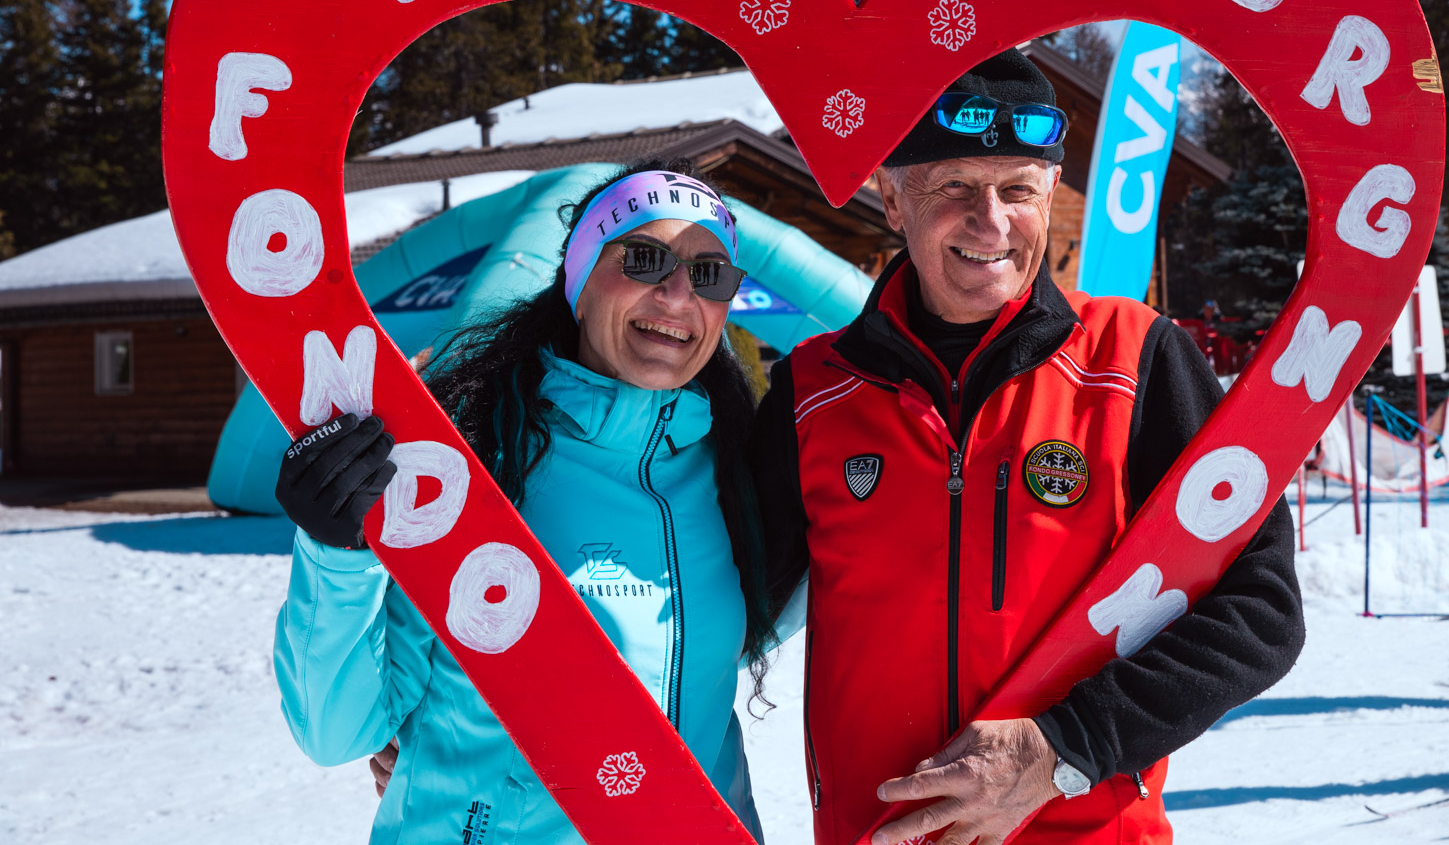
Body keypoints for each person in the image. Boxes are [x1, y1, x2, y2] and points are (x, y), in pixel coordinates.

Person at [749, 49, 1306, 845]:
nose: (993, 219)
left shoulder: (1135, 360)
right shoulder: (813, 390)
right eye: (954, 186)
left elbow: (1260, 607)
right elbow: (705, 597)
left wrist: (1064, 748)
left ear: (1050, 194)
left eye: (1018, 188)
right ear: (892, 199)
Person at [271, 160, 778, 843]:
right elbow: (338, 730)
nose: (678, 294)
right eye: (644, 258)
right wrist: (335, 553)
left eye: (710, 274)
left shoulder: (737, 475)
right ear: (579, 281)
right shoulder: (475, 458)